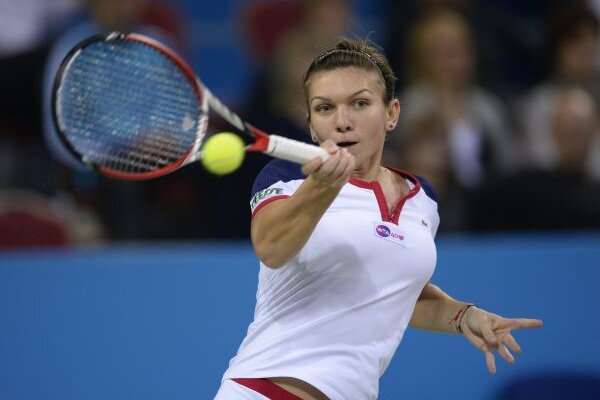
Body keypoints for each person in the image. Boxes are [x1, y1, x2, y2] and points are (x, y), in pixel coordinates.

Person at [214, 38, 543, 400]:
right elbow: (271, 248)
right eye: (325, 108)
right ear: (311, 125)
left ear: (391, 114)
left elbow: (397, 293)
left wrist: (464, 315)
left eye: (360, 103)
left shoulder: (423, 199)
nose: (342, 122)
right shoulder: (289, 176)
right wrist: (322, 186)